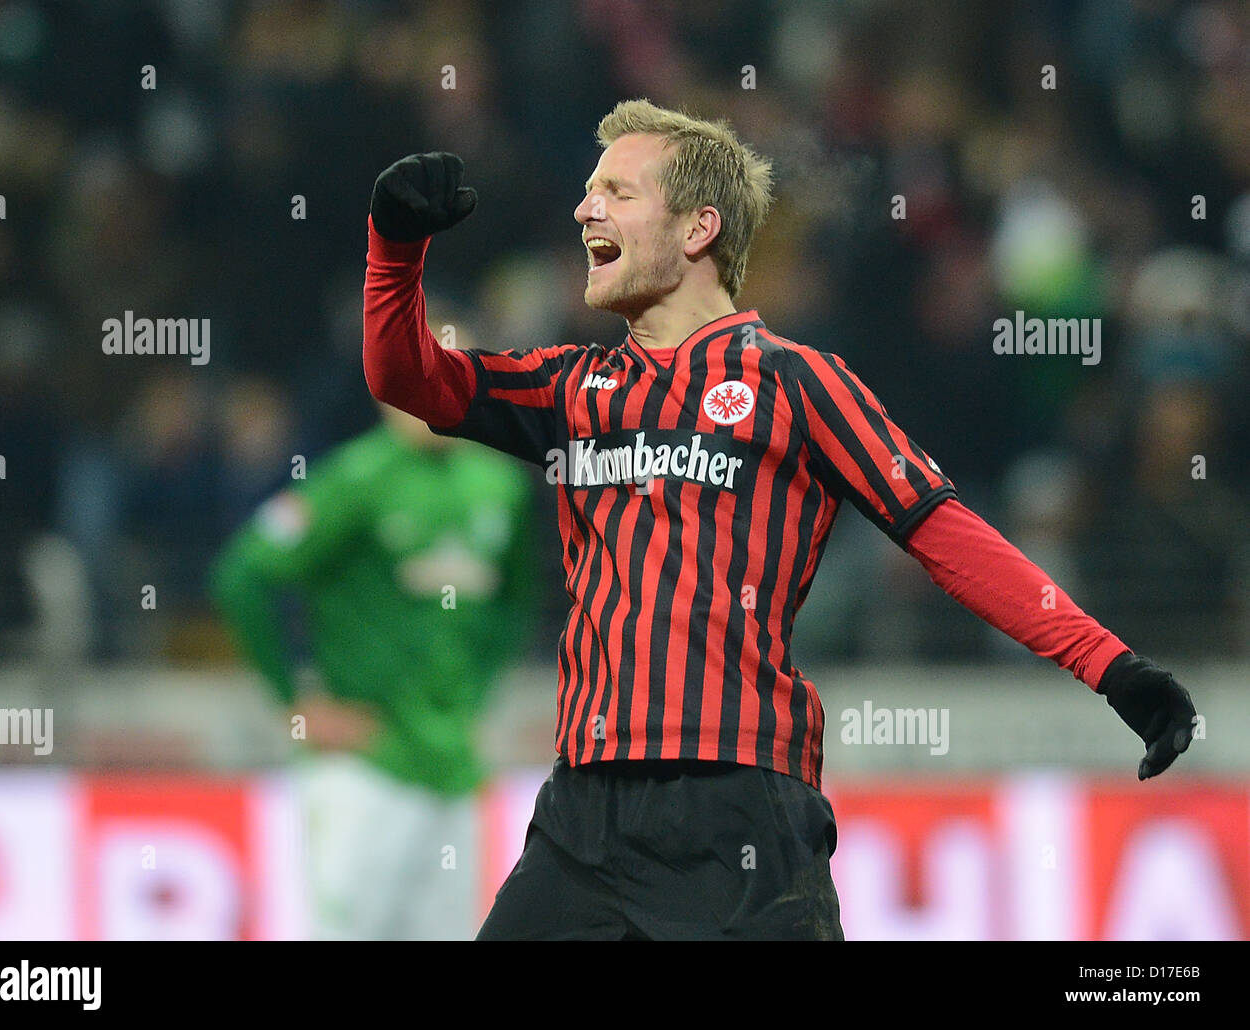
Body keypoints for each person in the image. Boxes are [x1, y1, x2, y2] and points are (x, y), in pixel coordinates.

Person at [361, 99, 1197, 941]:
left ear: (697, 230)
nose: (586, 209)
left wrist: (1114, 669)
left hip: (736, 812)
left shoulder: (797, 383)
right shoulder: (569, 385)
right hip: (581, 813)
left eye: (616, 190)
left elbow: (945, 536)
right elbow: (408, 378)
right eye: (587, 191)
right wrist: (396, 251)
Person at [209, 404, 539, 939]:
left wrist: (476, 696)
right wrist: (294, 700)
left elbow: (516, 603)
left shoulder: (500, 486)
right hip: (365, 767)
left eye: (452, 371)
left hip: (455, 769)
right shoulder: (355, 478)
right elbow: (242, 575)